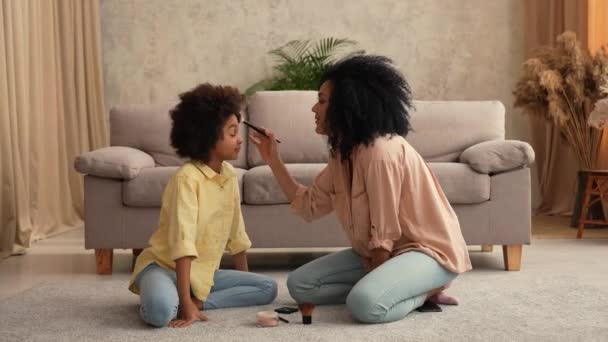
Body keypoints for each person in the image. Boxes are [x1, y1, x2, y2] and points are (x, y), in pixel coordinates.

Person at [249, 55, 471, 324]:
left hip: (427, 253)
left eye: (321, 101)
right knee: (301, 285)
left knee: (365, 306)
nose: (313, 109)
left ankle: (425, 290)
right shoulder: (345, 153)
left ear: (347, 105)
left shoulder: (381, 152)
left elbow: (384, 233)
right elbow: (308, 205)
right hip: (378, 253)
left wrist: (373, 285)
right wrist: (273, 160)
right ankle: (394, 289)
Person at [129, 83, 277, 328]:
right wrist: (184, 300)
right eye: (232, 133)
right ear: (208, 137)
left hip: (201, 274)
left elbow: (237, 235)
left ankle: (193, 301)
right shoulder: (186, 178)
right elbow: (182, 241)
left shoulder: (229, 174)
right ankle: (175, 300)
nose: (240, 140)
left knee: (266, 288)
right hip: (163, 267)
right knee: (159, 314)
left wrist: (242, 279)